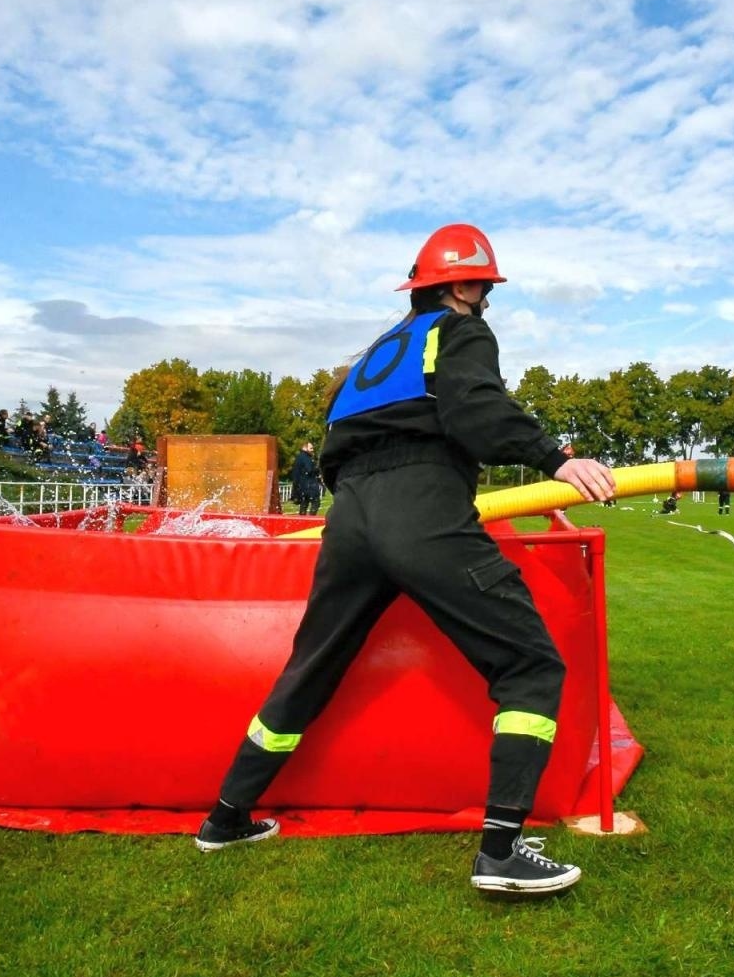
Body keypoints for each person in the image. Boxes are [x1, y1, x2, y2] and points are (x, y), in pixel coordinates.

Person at [197, 223, 616, 897]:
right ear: (461, 287)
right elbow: (476, 410)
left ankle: (225, 817)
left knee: (312, 668)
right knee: (531, 665)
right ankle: (501, 852)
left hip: (349, 517)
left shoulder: (376, 354)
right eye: (483, 289)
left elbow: (335, 444)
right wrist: (556, 458)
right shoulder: (461, 331)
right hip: (421, 508)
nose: (486, 302)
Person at [290, 441, 322, 516]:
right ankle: (311, 519)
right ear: (304, 448)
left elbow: (296, 473)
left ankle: (302, 520)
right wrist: (318, 470)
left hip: (301, 485)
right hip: (309, 485)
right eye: (311, 448)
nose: (312, 450)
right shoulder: (306, 457)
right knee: (316, 502)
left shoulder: (299, 457)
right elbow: (309, 470)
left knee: (304, 503)